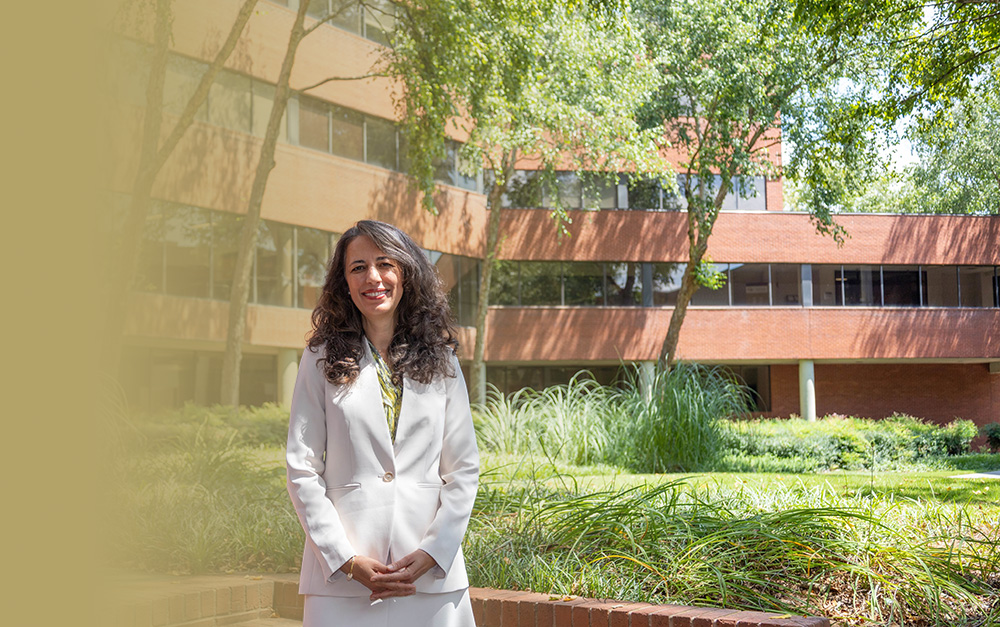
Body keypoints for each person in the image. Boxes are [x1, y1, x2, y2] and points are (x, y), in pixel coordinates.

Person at [286, 220, 479, 626]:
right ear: (344, 281)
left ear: (405, 273)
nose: (372, 277)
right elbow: (302, 468)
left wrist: (433, 552)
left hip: (430, 579)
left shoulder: (442, 360)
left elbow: (463, 469)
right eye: (358, 267)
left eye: (384, 263)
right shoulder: (320, 357)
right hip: (342, 579)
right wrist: (345, 559)